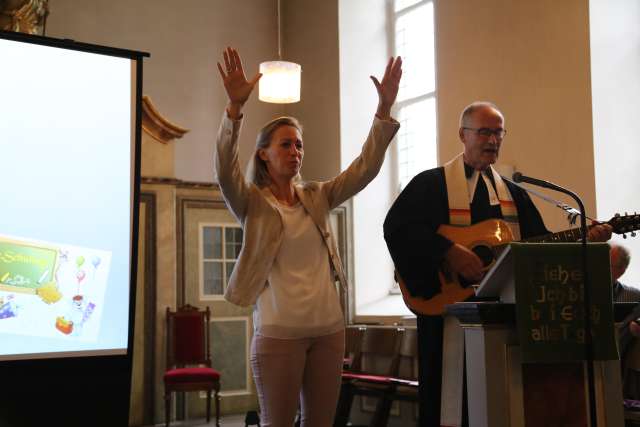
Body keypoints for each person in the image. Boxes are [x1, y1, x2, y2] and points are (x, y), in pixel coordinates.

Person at [383, 101, 612, 427]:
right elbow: (398, 227)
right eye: (484, 132)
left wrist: (585, 238)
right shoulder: (431, 185)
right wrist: (448, 251)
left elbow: (538, 244)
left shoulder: (514, 194)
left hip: (507, 321)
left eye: (498, 133)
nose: (493, 140)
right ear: (463, 134)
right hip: (450, 315)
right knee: (452, 405)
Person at [214, 47, 401, 427]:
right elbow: (224, 168)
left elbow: (363, 170)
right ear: (264, 154)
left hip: (329, 332)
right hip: (279, 335)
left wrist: (382, 114)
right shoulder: (252, 202)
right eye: (286, 143)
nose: (295, 151)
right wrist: (234, 109)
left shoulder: (316, 195)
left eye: (299, 144)